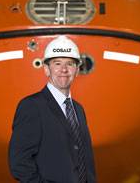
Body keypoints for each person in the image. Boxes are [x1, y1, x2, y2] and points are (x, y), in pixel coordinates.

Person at [9, 35, 96, 183]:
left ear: (76, 70)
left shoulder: (78, 110)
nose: (64, 69)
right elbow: (19, 163)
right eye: (57, 63)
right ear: (46, 69)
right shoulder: (32, 106)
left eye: (70, 64)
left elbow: (84, 159)